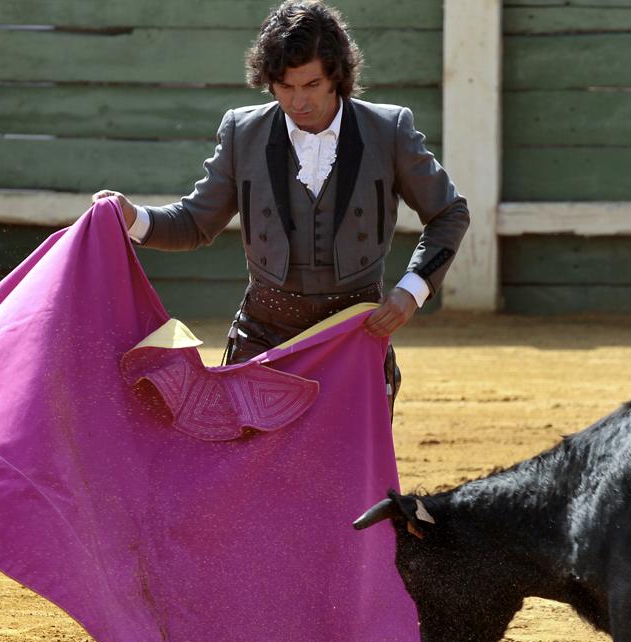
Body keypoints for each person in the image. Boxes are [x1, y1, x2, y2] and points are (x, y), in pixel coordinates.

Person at [94, 0, 469, 415]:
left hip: (352, 334)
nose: (298, 101)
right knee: (244, 472)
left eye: (311, 85)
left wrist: (412, 292)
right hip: (264, 334)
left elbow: (449, 212)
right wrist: (132, 217)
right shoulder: (244, 131)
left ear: (337, 78)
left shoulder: (388, 130)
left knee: (349, 474)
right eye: (285, 87)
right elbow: (196, 222)